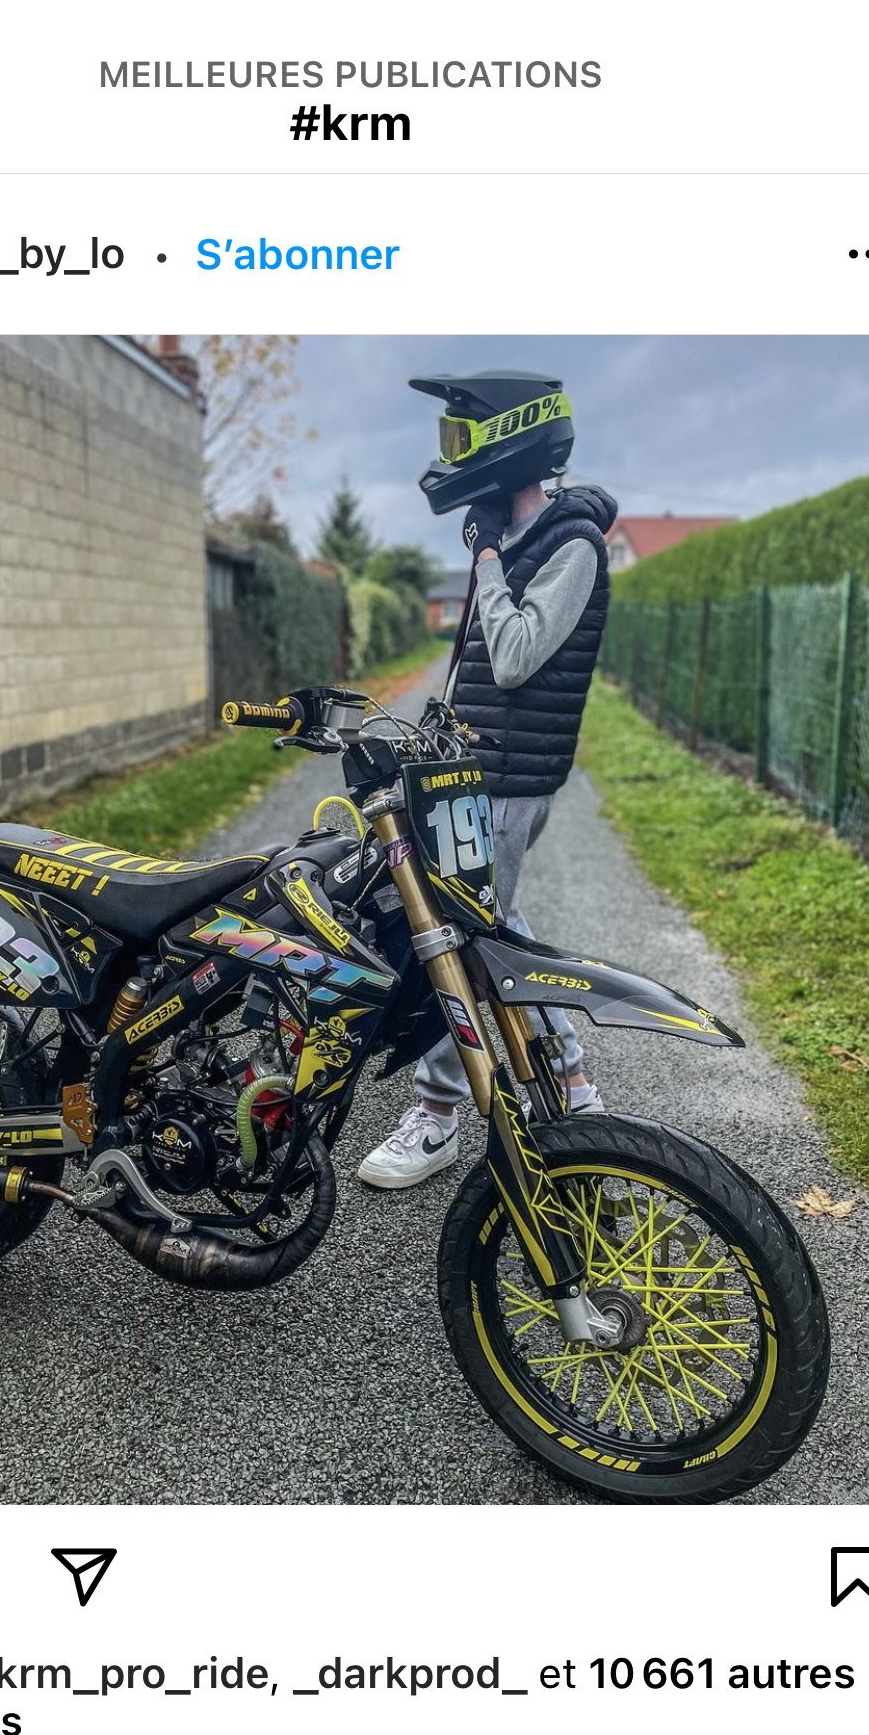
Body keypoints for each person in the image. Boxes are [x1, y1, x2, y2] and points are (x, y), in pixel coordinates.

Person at [359, 368, 616, 1191]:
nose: (452, 454)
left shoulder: (572, 544)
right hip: (478, 771)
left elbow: (513, 658)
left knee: (460, 938)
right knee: (491, 926)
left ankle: (439, 1113)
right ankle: (572, 1081)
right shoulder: (518, 535)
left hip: (511, 780)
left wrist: (491, 556)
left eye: (463, 438)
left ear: (514, 439)